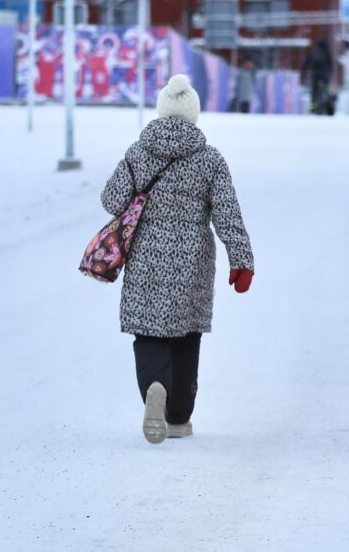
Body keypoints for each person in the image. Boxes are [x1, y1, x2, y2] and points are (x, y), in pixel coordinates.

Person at [101, 74, 255, 445]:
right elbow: (227, 215)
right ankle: (178, 415)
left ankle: (155, 384)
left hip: (145, 258)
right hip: (193, 263)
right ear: (193, 115)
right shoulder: (209, 159)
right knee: (187, 336)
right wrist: (241, 259)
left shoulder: (138, 153)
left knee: (149, 330)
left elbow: (110, 200)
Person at [302, 38, 334, 115]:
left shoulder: (314, 51)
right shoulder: (327, 52)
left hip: (315, 73)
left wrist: (303, 70)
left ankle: (313, 107)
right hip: (324, 74)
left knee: (314, 90)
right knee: (327, 88)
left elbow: (307, 62)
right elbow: (330, 64)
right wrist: (329, 73)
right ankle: (329, 101)